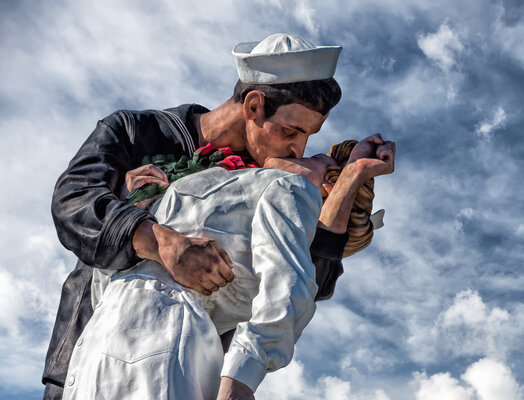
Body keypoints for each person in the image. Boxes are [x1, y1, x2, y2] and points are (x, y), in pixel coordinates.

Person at [42, 33, 370, 399]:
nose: (299, 148)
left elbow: (308, 281)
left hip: (179, 370)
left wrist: (349, 182)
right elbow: (73, 202)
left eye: (308, 137)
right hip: (82, 355)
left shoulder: (270, 183)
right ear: (255, 105)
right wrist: (163, 242)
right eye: (291, 130)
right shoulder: (135, 132)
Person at [61, 138, 395, 400]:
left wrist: (241, 379)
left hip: (149, 343)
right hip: (102, 345)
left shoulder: (291, 188)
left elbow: (289, 286)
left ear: (326, 187)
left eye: (316, 158)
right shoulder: (242, 187)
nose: (299, 151)